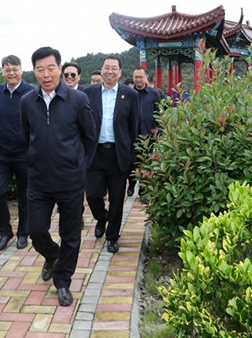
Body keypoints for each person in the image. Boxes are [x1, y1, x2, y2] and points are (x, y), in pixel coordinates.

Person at [20, 46, 97, 307]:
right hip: (38, 181)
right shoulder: (27, 102)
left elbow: (89, 137)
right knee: (36, 230)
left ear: (60, 69)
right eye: (40, 69)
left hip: (70, 181)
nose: (46, 74)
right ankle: (53, 256)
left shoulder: (78, 100)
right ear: (34, 71)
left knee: (70, 234)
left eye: (50, 68)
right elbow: (26, 136)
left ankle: (62, 280)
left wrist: (80, 166)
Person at [83, 56, 139, 253]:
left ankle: (112, 236)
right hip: (95, 152)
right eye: (107, 67)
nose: (110, 72)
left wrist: (132, 155)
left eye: (114, 68)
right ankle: (102, 217)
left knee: (116, 198)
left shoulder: (130, 95)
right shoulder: (88, 93)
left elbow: (133, 127)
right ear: (101, 69)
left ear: (120, 72)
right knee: (92, 195)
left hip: (117, 154)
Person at [0, 54, 34, 251]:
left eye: (15, 69)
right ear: (3, 72)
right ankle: (5, 232)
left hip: (24, 153)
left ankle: (24, 233)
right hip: (0, 152)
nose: (12, 73)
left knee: (25, 196)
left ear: (21, 70)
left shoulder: (31, 92)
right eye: (7, 70)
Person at [127, 66, 168, 195]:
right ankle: (131, 184)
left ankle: (143, 189)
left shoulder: (154, 93)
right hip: (131, 135)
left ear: (146, 78)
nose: (138, 79)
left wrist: (159, 131)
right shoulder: (129, 93)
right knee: (131, 163)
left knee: (146, 162)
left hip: (148, 135)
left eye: (141, 77)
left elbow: (158, 114)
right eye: (136, 77)